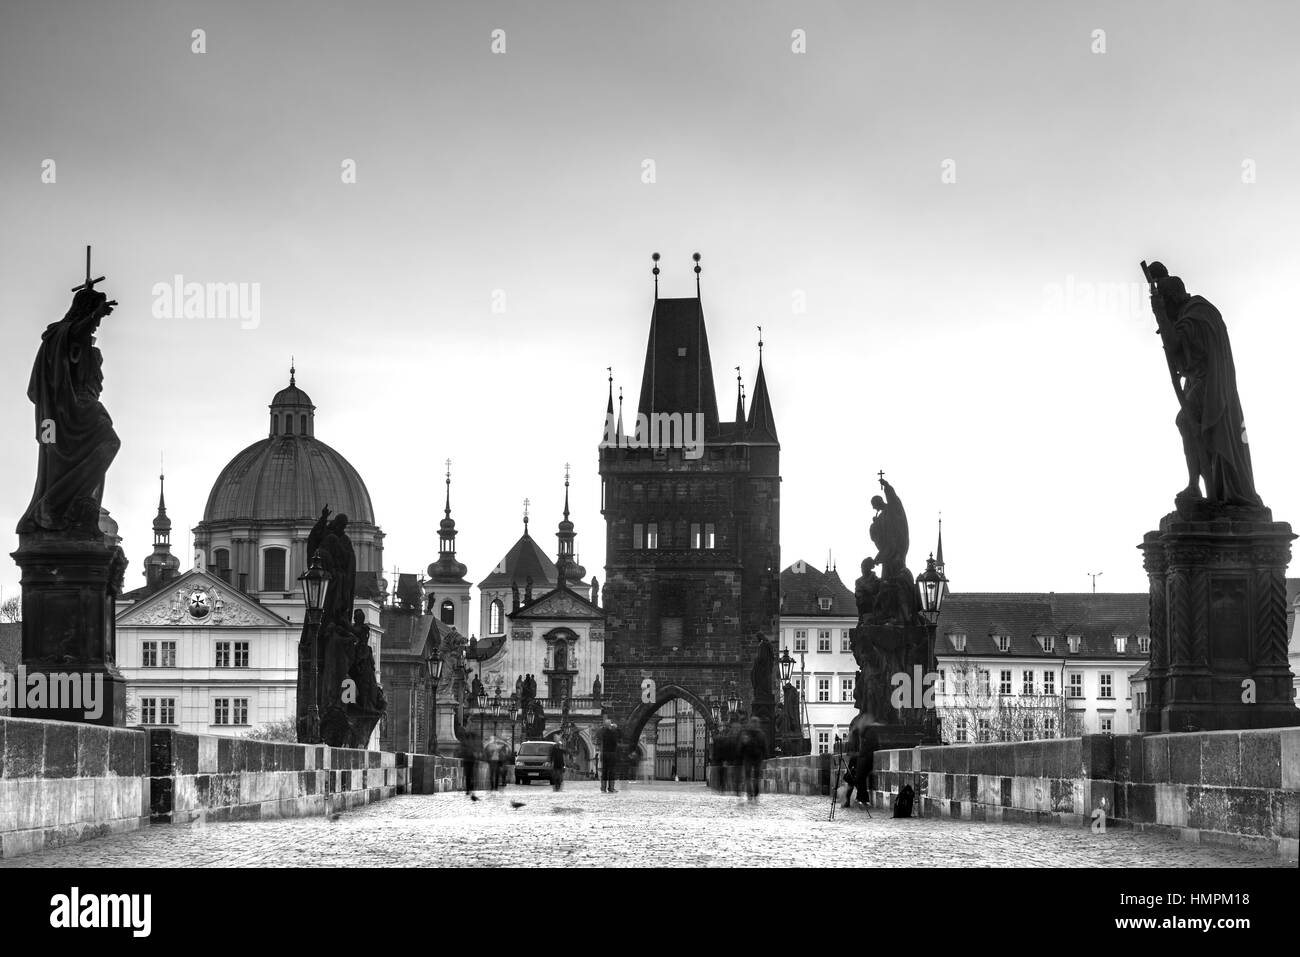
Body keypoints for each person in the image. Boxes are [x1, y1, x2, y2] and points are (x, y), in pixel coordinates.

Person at [738, 717, 767, 801]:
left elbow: (741, 746)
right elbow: (764, 747)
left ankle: (750, 793)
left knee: (749, 776)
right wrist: (765, 756)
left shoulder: (746, 733)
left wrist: (740, 754)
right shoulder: (761, 734)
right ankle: (755, 792)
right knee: (755, 776)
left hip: (749, 757)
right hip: (756, 757)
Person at [598, 715, 620, 793]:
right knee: (611, 771)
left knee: (604, 771)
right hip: (611, 753)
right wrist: (616, 728)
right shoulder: (613, 732)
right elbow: (618, 737)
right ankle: (611, 788)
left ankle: (603, 788)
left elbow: (599, 736)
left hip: (604, 753)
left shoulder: (602, 731)